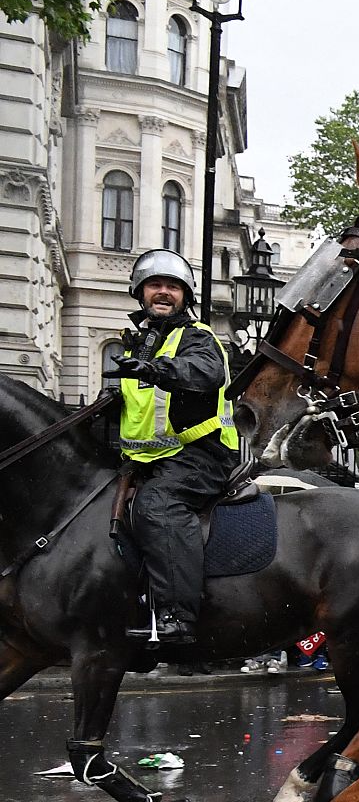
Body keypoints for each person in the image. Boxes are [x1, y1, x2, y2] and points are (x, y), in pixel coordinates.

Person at [105, 249, 238, 644]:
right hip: (147, 459)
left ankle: (177, 617)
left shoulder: (197, 338)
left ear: (186, 296)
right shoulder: (138, 344)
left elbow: (204, 372)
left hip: (201, 455)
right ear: (140, 292)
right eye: (155, 285)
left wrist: (155, 369)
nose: (164, 292)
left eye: (173, 287)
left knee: (158, 505)